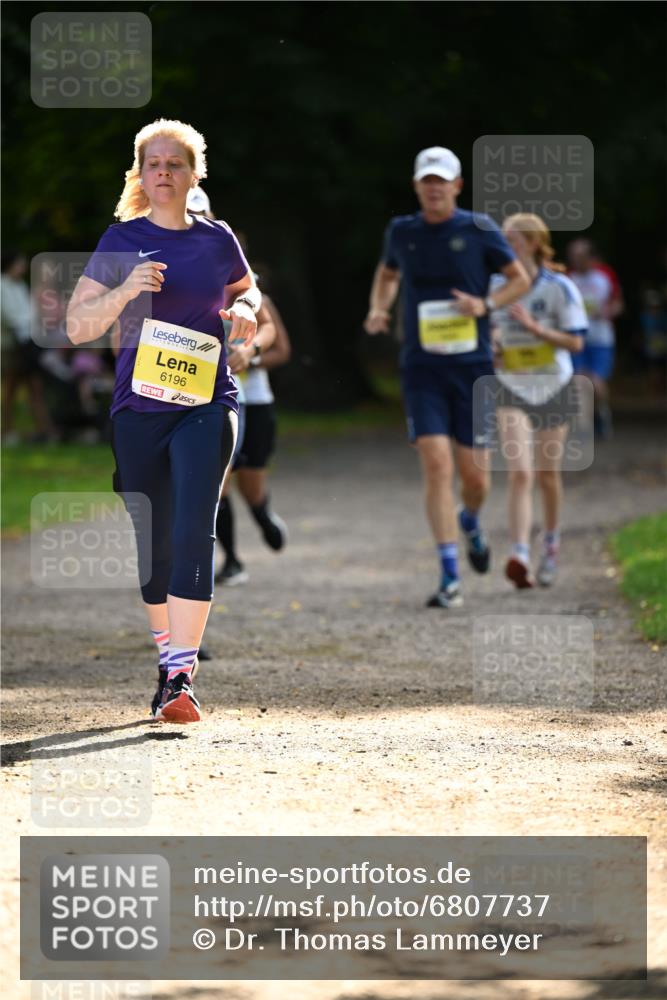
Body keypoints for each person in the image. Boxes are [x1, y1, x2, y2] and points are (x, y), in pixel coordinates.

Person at [66, 119, 260, 723]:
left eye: (175, 163)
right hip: (139, 410)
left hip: (207, 403)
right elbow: (76, 327)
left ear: (193, 173)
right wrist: (124, 291)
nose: (164, 173)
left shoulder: (217, 238)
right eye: (154, 164)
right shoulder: (120, 241)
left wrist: (248, 311)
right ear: (141, 175)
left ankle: (181, 674)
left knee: (193, 523)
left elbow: (248, 290)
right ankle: (166, 660)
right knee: (155, 542)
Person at [364, 147, 529, 608]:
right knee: (436, 463)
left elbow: (520, 278)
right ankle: (450, 575)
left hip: (473, 367)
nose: (433, 187)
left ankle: (471, 520)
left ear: (457, 185)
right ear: (417, 186)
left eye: (442, 180)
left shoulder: (479, 229)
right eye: (426, 180)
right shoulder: (402, 230)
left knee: (476, 478)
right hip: (422, 367)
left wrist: (486, 305)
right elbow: (387, 272)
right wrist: (379, 307)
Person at [490, 214, 588, 588]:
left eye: (513, 240)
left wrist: (536, 330)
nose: (505, 247)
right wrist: (494, 348)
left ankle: (550, 544)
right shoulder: (496, 285)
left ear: (533, 243)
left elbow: (577, 342)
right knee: (520, 473)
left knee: (547, 475)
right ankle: (519, 553)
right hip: (511, 385)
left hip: (553, 386)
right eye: (503, 240)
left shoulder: (559, 287)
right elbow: (487, 335)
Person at [216, 289, 291, 585]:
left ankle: (262, 515)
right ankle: (232, 560)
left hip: (256, 402)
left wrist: (248, 358)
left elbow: (282, 351)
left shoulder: (257, 298)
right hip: (221, 399)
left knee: (251, 485)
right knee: (220, 481)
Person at [566, 238, 623, 439]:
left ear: (591, 257)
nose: (575, 260)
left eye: (580, 256)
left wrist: (607, 311)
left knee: (596, 382)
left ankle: (601, 412)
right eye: (573, 256)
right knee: (579, 380)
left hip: (601, 338)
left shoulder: (605, 275)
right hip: (577, 338)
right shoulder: (568, 277)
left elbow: (618, 303)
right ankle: (584, 428)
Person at [1, 251, 57, 444]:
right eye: (20, 264)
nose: (23, 268)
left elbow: (29, 313)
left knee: (33, 387)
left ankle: (44, 430)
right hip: (11, 345)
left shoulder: (19, 286)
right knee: (11, 389)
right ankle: (7, 431)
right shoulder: (2, 286)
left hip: (27, 343)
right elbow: (10, 316)